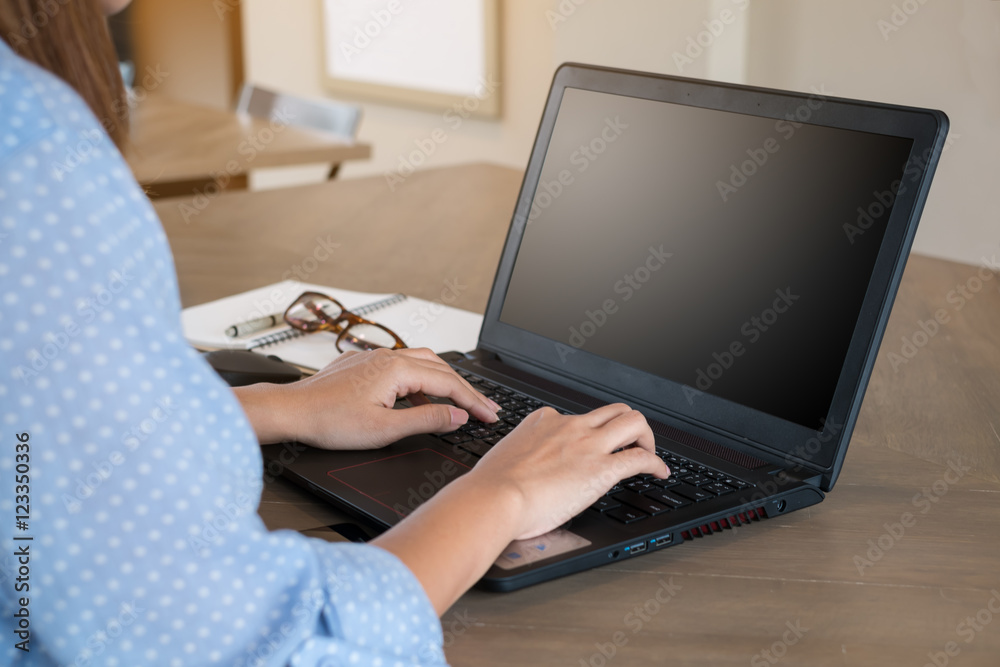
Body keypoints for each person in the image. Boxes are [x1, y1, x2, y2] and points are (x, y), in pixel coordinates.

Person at [0, 1, 668, 664]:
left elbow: (27, 438)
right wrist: (501, 493)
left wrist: (280, 404)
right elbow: (244, 645)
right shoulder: (34, 162)